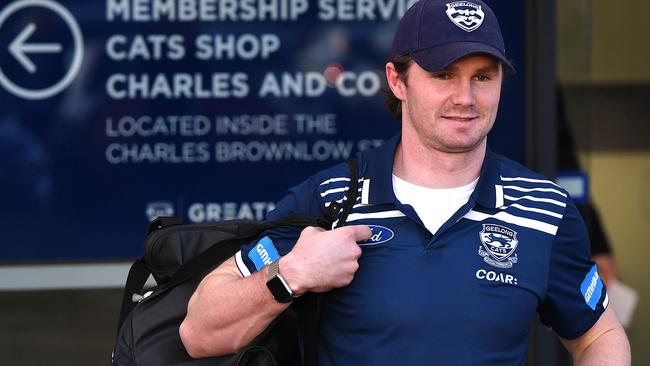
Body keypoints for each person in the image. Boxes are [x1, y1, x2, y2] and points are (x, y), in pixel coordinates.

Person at [180, 0, 630, 364]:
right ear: (398, 81)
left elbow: (599, 335)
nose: (465, 98)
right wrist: (293, 274)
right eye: (443, 75)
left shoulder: (545, 209)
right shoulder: (332, 201)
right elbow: (199, 331)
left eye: (482, 77)